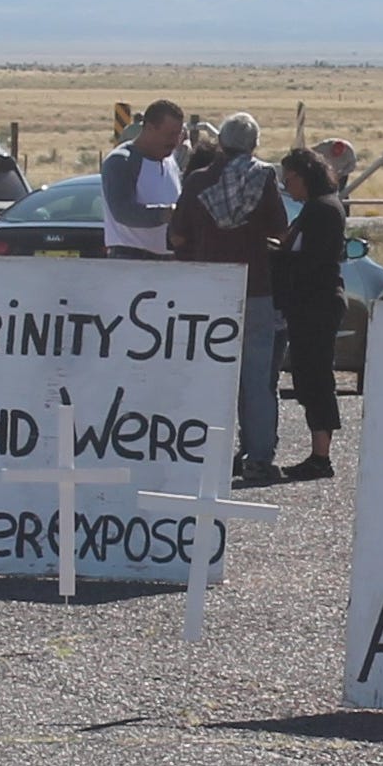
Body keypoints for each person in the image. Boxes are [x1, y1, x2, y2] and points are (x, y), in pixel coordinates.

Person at [169, 112, 289, 484]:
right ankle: (258, 458)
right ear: (253, 145)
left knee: (206, 376)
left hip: (208, 289)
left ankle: (202, 452)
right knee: (257, 380)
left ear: (221, 142)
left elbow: (176, 237)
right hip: (254, 287)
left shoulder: (198, 181)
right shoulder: (262, 177)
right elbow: (280, 229)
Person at [271, 147, 346, 480]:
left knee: (315, 378)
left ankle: (321, 455)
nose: (288, 188)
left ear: (303, 176)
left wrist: (274, 255)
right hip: (311, 303)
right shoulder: (318, 208)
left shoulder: (322, 210)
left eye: (289, 180)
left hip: (316, 303)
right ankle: (319, 452)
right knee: (308, 376)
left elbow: (311, 259)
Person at [99, 100, 186, 259]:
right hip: (131, 260)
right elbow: (123, 212)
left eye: (178, 134)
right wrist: (166, 214)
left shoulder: (170, 161)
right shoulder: (122, 161)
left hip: (169, 261)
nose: (175, 141)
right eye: (170, 134)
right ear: (150, 128)